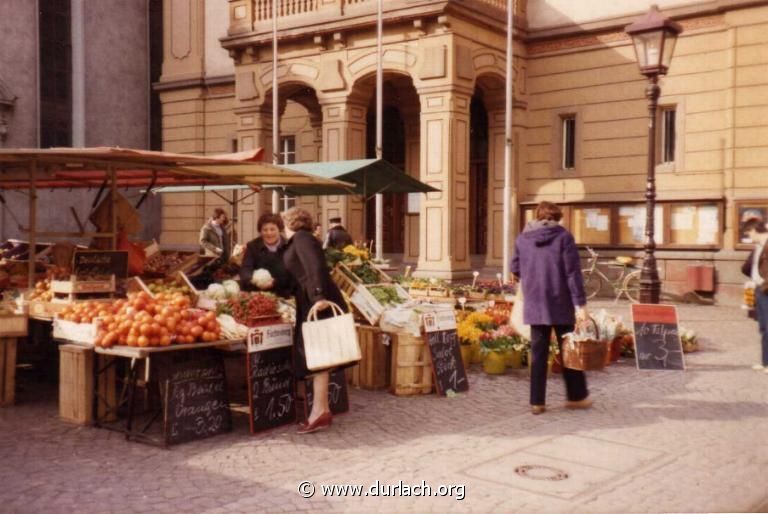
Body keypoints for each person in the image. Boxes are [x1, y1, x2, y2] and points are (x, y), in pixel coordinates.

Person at [511, 201, 592, 415]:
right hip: (560, 302)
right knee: (569, 350)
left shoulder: (523, 239)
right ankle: (577, 397)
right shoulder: (564, 238)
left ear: (537, 216)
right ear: (557, 218)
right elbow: (572, 274)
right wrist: (580, 304)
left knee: (538, 355)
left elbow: (515, 267)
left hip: (535, 303)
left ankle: (537, 402)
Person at [281, 207, 349, 434]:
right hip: (309, 301)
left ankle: (319, 412)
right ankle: (322, 410)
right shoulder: (299, 241)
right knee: (319, 356)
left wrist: (319, 296)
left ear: (289, 223)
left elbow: (314, 267)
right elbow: (300, 273)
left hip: (317, 303)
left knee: (319, 355)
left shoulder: (302, 238)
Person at [239, 213, 292, 296]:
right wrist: (253, 281)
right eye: (265, 230)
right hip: (258, 295)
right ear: (260, 231)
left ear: (279, 230)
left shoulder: (289, 246)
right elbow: (246, 269)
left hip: (283, 294)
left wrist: (274, 282)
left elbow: (292, 274)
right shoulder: (252, 247)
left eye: (272, 229)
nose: (269, 233)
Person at [741, 218, 768, 373]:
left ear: (754, 230)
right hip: (758, 289)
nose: (749, 237)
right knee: (763, 327)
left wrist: (764, 285)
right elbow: (749, 266)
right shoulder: (758, 247)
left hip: (766, 290)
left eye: (748, 233)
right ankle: (765, 362)